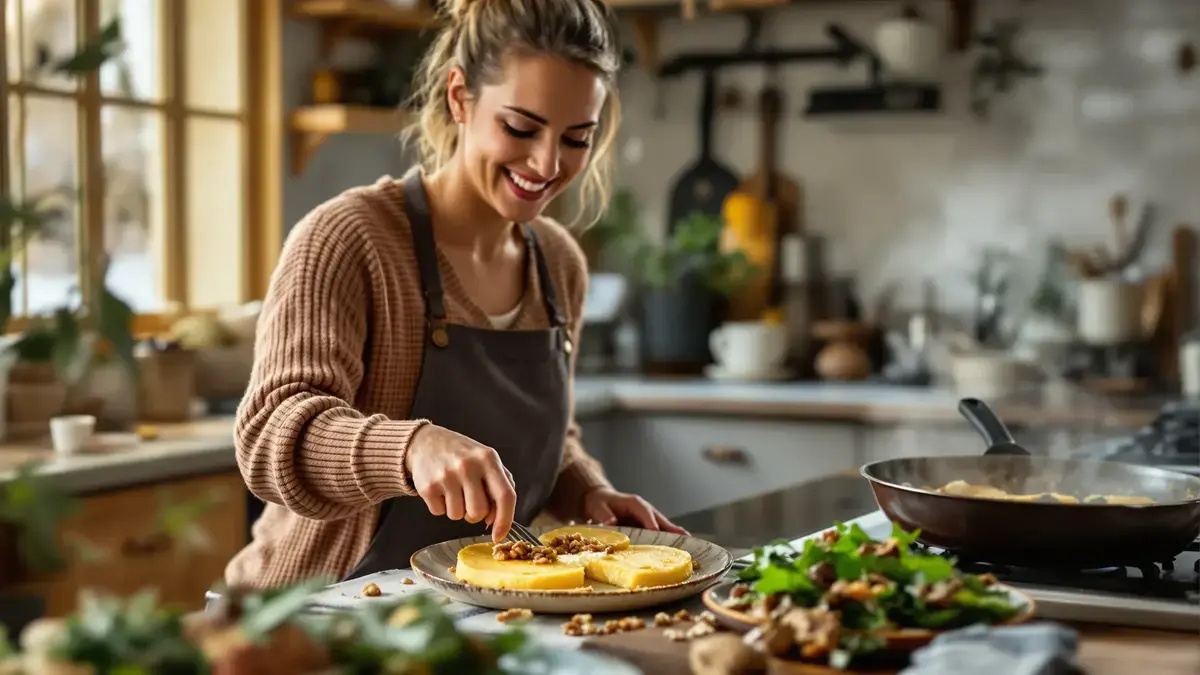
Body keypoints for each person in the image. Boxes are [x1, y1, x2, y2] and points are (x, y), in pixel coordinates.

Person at [225, 0, 685, 589]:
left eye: (577, 138)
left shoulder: (558, 263)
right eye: (520, 128)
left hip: (466, 618)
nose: (547, 163)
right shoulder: (349, 238)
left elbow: (548, 438)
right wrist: (410, 446)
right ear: (460, 97)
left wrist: (587, 490)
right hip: (311, 614)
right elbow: (268, 437)